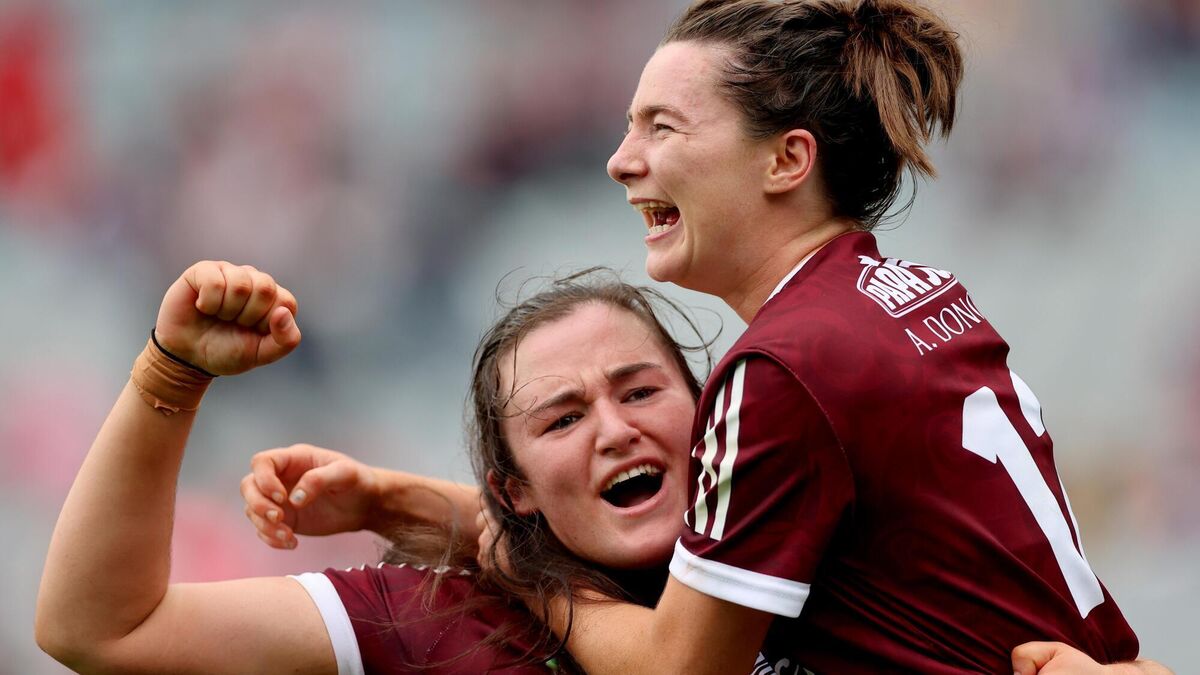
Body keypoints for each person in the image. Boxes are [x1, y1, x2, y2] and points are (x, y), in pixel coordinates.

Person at [450, 0, 1165, 673]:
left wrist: (537, 583)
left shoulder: (782, 370)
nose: (620, 160)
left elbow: (682, 664)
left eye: (661, 128)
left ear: (787, 160)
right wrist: (414, 503)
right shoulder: (915, 292)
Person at [33, 261, 711, 674]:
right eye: (562, 420)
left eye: (640, 392)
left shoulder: (777, 537)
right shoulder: (434, 623)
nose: (616, 431)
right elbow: (101, 631)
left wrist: (395, 499)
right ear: (513, 492)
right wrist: (171, 373)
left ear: (713, 411)